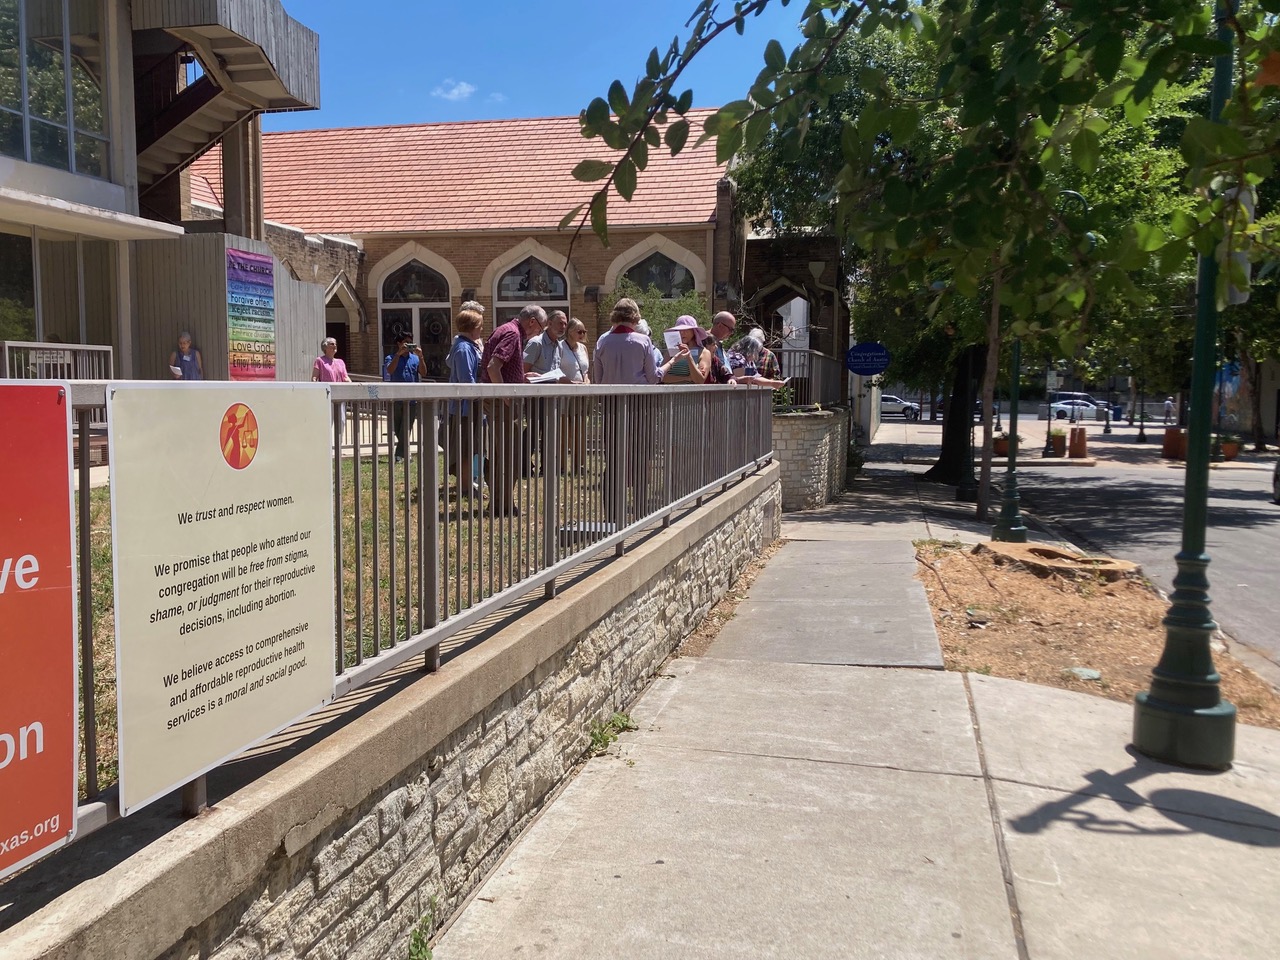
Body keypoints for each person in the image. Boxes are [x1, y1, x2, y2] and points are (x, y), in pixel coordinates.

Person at [593, 299, 659, 523]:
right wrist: (667, 367)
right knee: (640, 458)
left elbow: (598, 379)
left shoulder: (602, 341)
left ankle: (612, 515)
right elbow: (653, 377)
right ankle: (640, 512)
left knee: (613, 460)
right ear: (636, 317)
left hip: (611, 406)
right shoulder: (643, 341)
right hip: (639, 406)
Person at [480, 304, 547, 515]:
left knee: (501, 455)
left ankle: (500, 504)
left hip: (497, 401)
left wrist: (521, 377)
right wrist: (506, 395)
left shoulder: (505, 329)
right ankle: (504, 506)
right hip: (502, 404)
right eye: (541, 328)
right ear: (532, 322)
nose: (539, 333)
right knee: (511, 455)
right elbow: (493, 366)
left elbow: (500, 367)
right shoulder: (512, 333)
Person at [440, 309, 485, 497]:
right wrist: (485, 391)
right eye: (480, 326)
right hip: (465, 408)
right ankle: (465, 488)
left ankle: (467, 486)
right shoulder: (464, 349)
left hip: (469, 406)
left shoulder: (468, 346)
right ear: (472, 327)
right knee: (465, 449)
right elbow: (467, 382)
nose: (481, 330)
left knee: (470, 448)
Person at [383, 332, 422, 462]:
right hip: (396, 398)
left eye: (410, 342)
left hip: (412, 399)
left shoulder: (415, 358)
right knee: (398, 428)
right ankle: (405, 452)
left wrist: (421, 357)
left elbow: (424, 372)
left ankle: (400, 455)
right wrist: (398, 355)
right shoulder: (390, 357)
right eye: (406, 342)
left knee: (406, 427)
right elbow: (390, 370)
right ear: (399, 344)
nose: (408, 345)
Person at [657, 315, 711, 384]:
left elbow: (700, 380)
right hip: (670, 391)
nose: (682, 333)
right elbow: (661, 377)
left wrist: (689, 356)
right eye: (679, 330)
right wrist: (687, 378)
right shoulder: (672, 350)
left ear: (694, 331)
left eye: (686, 330)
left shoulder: (704, 353)